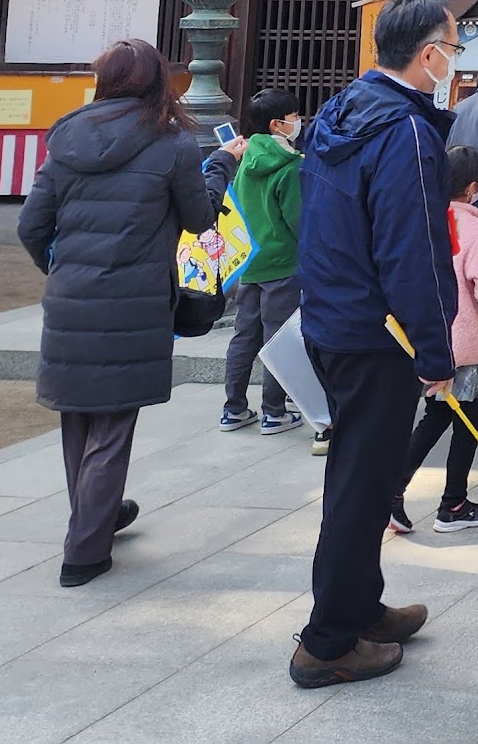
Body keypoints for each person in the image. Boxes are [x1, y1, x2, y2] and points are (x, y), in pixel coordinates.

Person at [291, 0, 460, 689]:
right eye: (453, 48)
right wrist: (435, 350)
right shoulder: (406, 131)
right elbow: (413, 250)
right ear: (429, 54)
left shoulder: (341, 110)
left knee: (359, 475)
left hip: (333, 317)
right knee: (362, 487)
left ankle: (361, 607)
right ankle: (328, 642)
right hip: (376, 331)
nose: (455, 61)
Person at [17, 38, 213, 591]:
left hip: (71, 296)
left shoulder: (66, 138)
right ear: (157, 81)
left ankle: (97, 513)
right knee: (113, 424)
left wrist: (62, 269)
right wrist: (219, 171)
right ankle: (84, 551)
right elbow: (198, 220)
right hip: (135, 298)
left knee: (78, 416)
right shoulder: (173, 144)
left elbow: (31, 226)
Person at [392, 143, 478, 535]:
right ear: (473, 188)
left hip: (424, 338)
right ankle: (453, 504)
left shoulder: (420, 222)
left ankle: (394, 492)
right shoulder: (475, 230)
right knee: (465, 422)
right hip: (464, 341)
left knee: (438, 415)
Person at [218, 87, 306, 432]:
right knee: (277, 339)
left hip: (249, 260)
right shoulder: (290, 167)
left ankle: (233, 408)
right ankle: (274, 411)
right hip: (282, 263)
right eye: (294, 116)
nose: (298, 121)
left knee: (244, 336)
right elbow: (297, 220)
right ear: (276, 125)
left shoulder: (243, 158)